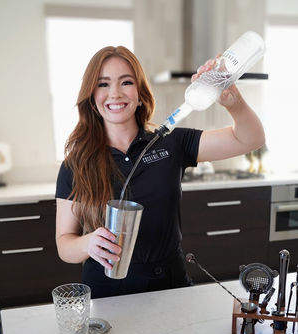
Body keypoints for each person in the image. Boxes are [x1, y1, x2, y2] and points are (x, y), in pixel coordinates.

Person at [55, 46, 265, 299]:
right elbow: (64, 244)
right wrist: (88, 243)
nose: (115, 93)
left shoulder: (170, 143)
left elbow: (250, 139)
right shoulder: (75, 164)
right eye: (103, 84)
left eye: (126, 82)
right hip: (109, 293)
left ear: (140, 94)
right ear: (91, 96)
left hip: (171, 284)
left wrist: (234, 103)